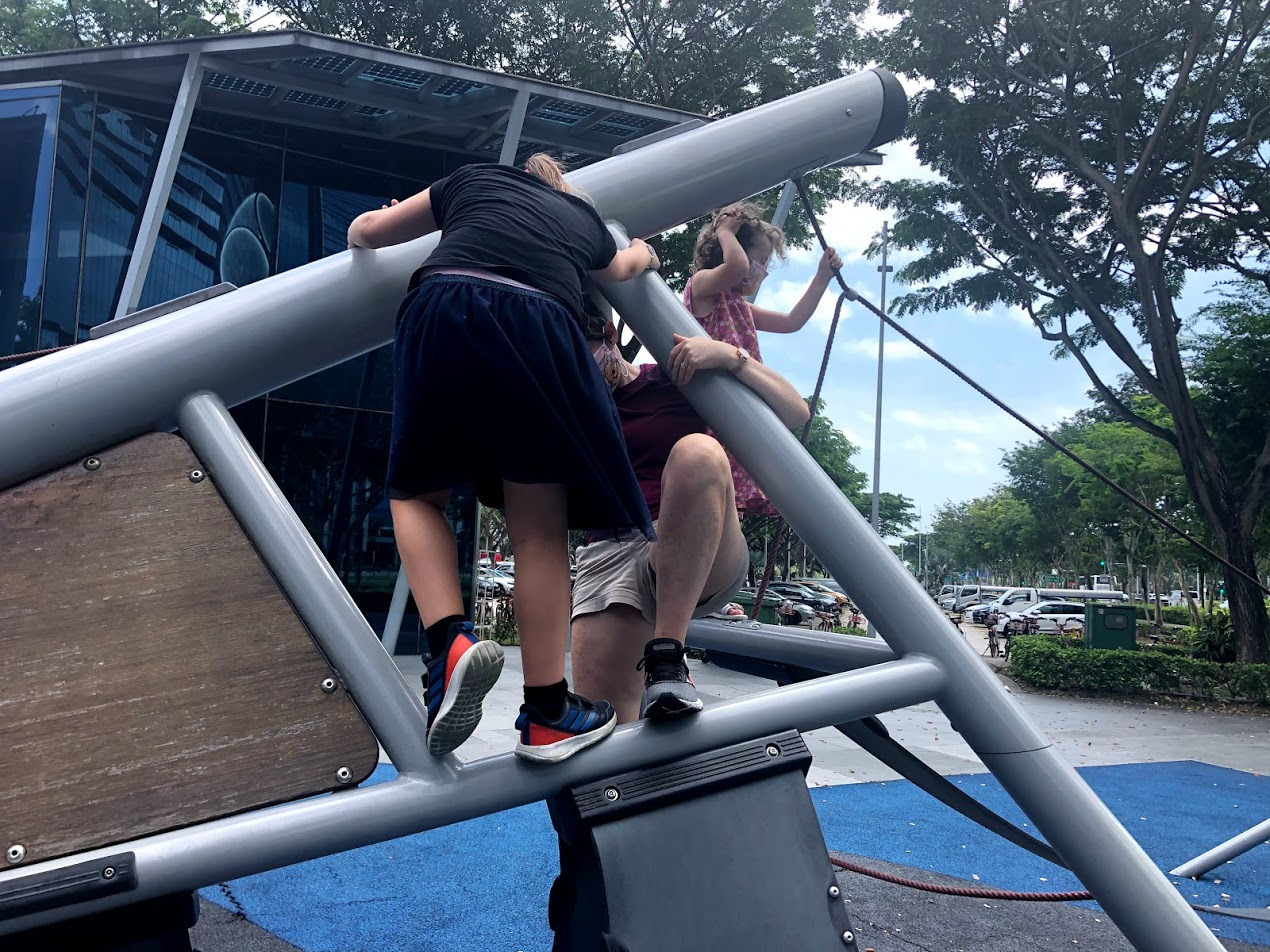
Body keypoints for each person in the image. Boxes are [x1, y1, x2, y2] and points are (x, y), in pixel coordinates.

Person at [346, 154, 660, 764]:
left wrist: (373, 221)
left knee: (416, 493)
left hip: (445, 304)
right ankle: (547, 713)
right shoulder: (582, 219)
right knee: (538, 530)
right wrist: (644, 254)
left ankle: (448, 641)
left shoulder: (472, 179)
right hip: (541, 323)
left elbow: (368, 232)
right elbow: (624, 266)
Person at [570, 309, 810, 722]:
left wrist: (730, 356)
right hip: (612, 547)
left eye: (580, 353)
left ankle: (668, 658)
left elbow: (795, 412)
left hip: (695, 536)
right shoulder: (573, 407)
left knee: (697, 452)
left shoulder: (671, 377)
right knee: (604, 728)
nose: (575, 369)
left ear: (610, 334)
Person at [682, 203, 843, 515]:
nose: (761, 270)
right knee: (711, 490)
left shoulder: (740, 306)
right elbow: (737, 268)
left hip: (738, 406)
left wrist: (822, 277)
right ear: (731, 250)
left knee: (729, 501)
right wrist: (725, 231)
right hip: (711, 407)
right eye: (761, 260)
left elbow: (792, 322)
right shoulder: (701, 287)